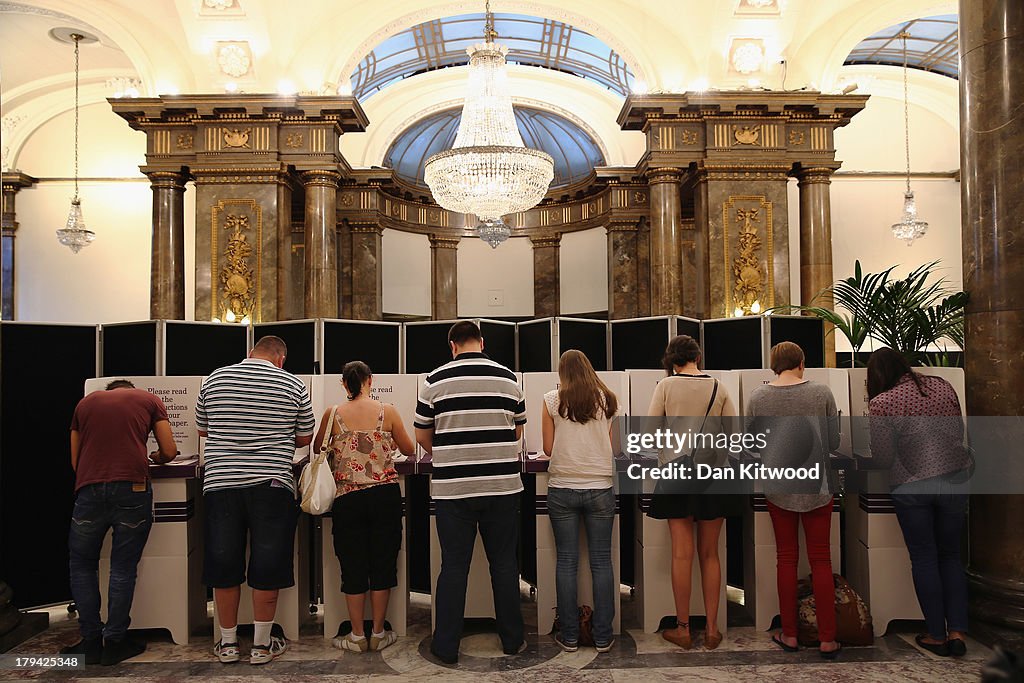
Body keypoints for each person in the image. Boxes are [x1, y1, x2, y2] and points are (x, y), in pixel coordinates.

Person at [196, 335, 315, 666]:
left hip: (221, 483)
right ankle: (262, 646)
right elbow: (305, 435)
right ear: (280, 359)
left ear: (251, 353)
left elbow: (203, 429)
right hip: (272, 483)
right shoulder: (292, 384)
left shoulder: (215, 379)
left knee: (223, 561)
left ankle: (229, 643)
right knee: (268, 561)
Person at [415, 320, 527, 664]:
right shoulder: (509, 378)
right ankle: (512, 640)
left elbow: (421, 436)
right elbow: (518, 432)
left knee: (453, 568)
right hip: (503, 487)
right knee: (505, 566)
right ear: (482, 342)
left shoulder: (433, 380)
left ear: (452, 346)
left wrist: (452, 454)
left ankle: (446, 646)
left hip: (453, 490)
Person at [60, 379, 177, 666]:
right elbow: (170, 451)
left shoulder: (85, 404)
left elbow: (76, 460)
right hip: (133, 488)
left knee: (82, 565)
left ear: (109, 390)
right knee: (123, 567)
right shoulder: (148, 400)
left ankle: (90, 641)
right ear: (131, 389)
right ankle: (115, 641)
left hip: (89, 489)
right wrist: (156, 457)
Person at [867, 347, 972, 658]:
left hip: (912, 485)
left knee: (924, 557)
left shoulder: (882, 402)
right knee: (952, 556)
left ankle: (936, 635)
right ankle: (957, 633)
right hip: (955, 478)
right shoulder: (942, 384)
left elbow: (883, 457)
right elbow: (958, 430)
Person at [746, 342, 841, 659]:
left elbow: (751, 442)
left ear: (773, 366)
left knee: (786, 558)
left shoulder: (759, 396)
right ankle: (828, 638)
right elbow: (835, 438)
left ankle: (789, 634)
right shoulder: (821, 392)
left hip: (779, 485)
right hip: (818, 484)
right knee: (821, 560)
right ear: (802, 363)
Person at [314, 361, 415, 653]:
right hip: (385, 496)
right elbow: (408, 449)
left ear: (344, 384)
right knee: (383, 562)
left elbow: (318, 448)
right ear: (371, 380)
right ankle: (379, 632)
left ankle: (357, 634)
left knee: (353, 564)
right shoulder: (389, 411)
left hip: (348, 498)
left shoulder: (332, 414)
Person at [647, 335, 738, 650]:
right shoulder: (719, 387)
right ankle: (713, 629)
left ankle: (683, 628)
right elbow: (733, 435)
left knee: (681, 554)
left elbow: (649, 432)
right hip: (714, 475)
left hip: (676, 473)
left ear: (672, 361)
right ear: (698, 357)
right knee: (710, 554)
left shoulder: (666, 387)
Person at [541, 350, 618, 653]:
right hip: (600, 487)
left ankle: (570, 635)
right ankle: (602, 636)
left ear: (562, 373)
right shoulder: (608, 399)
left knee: (566, 561)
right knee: (602, 563)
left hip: (562, 487)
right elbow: (615, 447)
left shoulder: (551, 399)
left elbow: (547, 448)